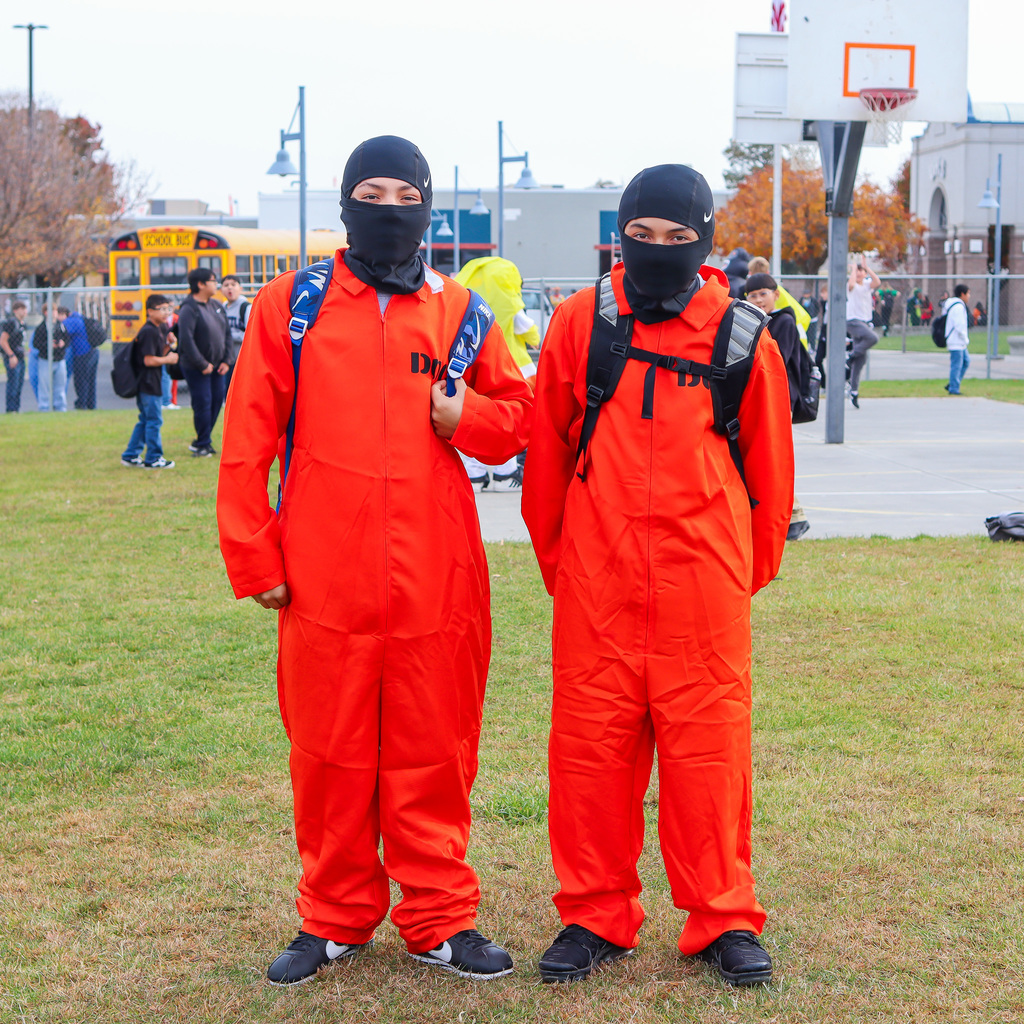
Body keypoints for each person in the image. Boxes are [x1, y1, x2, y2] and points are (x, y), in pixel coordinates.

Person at [217, 135, 532, 988]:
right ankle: (333, 917)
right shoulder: (293, 306)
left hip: (437, 576)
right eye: (371, 193)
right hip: (324, 576)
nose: (388, 209)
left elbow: (520, 414)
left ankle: (438, 919)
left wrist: (465, 419)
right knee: (329, 752)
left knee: (436, 749)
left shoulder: (462, 312)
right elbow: (247, 438)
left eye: (405, 195)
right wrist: (254, 555)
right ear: (346, 204)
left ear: (427, 207)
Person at [522, 164, 793, 987]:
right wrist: (569, 567)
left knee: (710, 762)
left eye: (678, 238)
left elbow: (772, 485)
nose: (658, 250)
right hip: (596, 594)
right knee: (589, 759)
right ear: (620, 236)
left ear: (703, 241)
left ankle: (723, 916)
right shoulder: (581, 323)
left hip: (703, 598)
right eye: (641, 236)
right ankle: (594, 913)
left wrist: (729, 579)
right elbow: (547, 459)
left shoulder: (742, 337)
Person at [454, 256, 540, 489]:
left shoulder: (466, 306)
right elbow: (530, 331)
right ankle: (505, 473)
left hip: (471, 370)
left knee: (474, 420)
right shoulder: (510, 308)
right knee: (507, 421)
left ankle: (475, 474)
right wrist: (533, 338)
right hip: (513, 368)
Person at [744, 272, 811, 539]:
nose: (759, 300)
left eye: (763, 294)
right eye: (753, 295)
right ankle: (792, 516)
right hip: (761, 397)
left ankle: (794, 516)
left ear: (776, 294)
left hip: (780, 399)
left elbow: (774, 361)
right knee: (767, 458)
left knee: (773, 458)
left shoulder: (783, 322)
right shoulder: (754, 322)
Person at [120, 295, 179, 468]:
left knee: (146, 419)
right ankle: (153, 458)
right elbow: (148, 360)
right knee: (154, 420)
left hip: (152, 381)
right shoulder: (149, 331)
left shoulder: (160, 328)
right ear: (150, 311)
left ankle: (131, 455)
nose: (166, 312)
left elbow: (157, 353)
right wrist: (168, 359)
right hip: (147, 382)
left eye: (168, 309)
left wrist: (169, 345)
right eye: (162, 309)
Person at [176, 267, 230, 457]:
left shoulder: (216, 305)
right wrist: (202, 364)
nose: (216, 284)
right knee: (203, 403)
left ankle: (202, 440)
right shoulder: (188, 308)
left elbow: (226, 333)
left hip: (218, 366)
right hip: (196, 367)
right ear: (200, 284)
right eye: (213, 280)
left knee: (216, 401)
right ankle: (203, 444)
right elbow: (186, 339)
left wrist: (226, 360)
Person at [845, 261, 880, 409]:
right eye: (857, 271)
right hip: (853, 321)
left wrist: (867, 268)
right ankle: (850, 356)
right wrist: (853, 269)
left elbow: (877, 282)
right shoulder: (851, 285)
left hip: (864, 322)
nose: (859, 273)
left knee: (860, 360)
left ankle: (853, 391)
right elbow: (851, 284)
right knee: (873, 338)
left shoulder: (866, 285)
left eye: (861, 271)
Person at [56, 306, 99, 410]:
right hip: (93, 351)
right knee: (91, 380)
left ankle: (81, 404)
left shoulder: (69, 322)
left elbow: (59, 332)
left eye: (58, 316)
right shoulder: (80, 318)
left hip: (83, 354)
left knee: (81, 380)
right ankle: (91, 404)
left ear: (63, 314)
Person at [33, 305, 69, 412]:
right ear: (45, 312)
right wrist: (48, 345)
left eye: (55, 310)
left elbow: (67, 339)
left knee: (60, 385)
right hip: (45, 360)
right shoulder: (41, 327)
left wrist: (62, 343)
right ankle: (44, 407)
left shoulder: (61, 326)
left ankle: (60, 407)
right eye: (51, 310)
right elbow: (36, 344)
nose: (54, 313)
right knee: (44, 386)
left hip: (59, 359)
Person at [220, 274, 250, 390]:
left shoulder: (246, 307)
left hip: (241, 359)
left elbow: (250, 334)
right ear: (221, 289)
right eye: (226, 285)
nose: (230, 288)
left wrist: (228, 336)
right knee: (227, 392)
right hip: (226, 359)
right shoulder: (222, 308)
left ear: (240, 288)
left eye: (233, 284)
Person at [942, 284, 971, 395]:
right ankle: (954, 388)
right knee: (957, 364)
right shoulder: (958, 307)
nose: (969, 296)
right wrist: (965, 338)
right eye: (968, 293)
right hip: (956, 341)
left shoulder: (955, 305)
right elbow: (959, 325)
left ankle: (953, 383)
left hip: (959, 342)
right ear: (962, 294)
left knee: (966, 361)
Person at [0, 300, 28, 413]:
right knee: (13, 384)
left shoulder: (23, 324)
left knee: (19, 384)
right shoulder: (11, 323)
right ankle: (11, 409)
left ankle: (16, 409)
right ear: (15, 310)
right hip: (12, 358)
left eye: (25, 309)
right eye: (22, 309)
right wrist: (11, 355)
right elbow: (3, 341)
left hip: (20, 358)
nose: (24, 311)